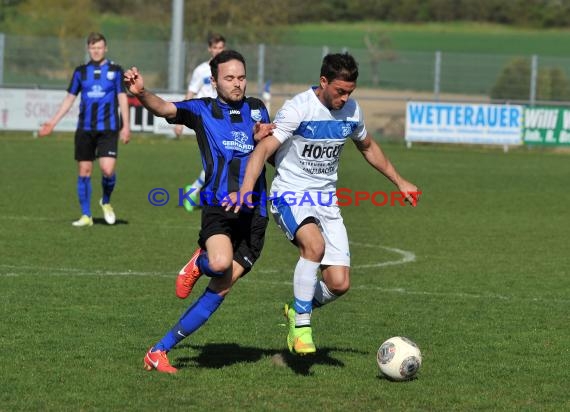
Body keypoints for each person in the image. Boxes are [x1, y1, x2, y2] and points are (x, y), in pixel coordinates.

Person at [231, 53, 421, 356]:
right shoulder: (299, 108)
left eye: (350, 92)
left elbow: (368, 146)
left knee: (339, 283)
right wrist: (244, 189)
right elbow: (263, 147)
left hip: (326, 200)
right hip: (290, 194)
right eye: (340, 91)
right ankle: (303, 329)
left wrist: (400, 181)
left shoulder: (352, 112)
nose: (345, 98)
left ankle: (297, 309)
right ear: (323, 82)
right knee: (314, 247)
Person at [124, 50, 272, 374]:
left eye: (242, 77)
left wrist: (266, 139)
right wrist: (142, 94)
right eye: (229, 78)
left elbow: (269, 151)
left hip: (255, 213)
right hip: (219, 206)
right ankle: (200, 260)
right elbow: (165, 108)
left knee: (222, 286)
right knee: (218, 264)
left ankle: (158, 350)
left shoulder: (258, 108)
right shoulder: (202, 109)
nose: (237, 84)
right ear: (215, 79)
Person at [38, 32, 130, 227]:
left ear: (106, 48)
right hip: (85, 129)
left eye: (99, 47)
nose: (96, 51)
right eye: (93, 48)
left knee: (107, 169)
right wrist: (53, 122)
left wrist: (126, 126)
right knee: (84, 171)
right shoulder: (80, 72)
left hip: (108, 128)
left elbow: (122, 98)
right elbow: (69, 99)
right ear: (88, 49)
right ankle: (86, 215)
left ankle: (105, 201)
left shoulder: (116, 70)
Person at [174, 33, 226, 213]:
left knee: (220, 159)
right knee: (218, 158)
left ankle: (196, 191)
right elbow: (190, 93)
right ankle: (204, 193)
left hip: (224, 119)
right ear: (209, 49)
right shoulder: (201, 70)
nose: (218, 51)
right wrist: (179, 119)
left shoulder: (227, 68)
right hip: (207, 119)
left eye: (221, 48)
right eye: (215, 48)